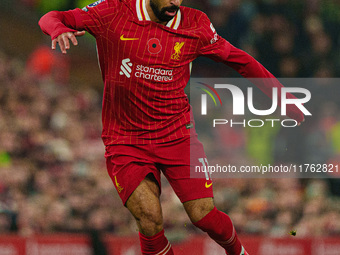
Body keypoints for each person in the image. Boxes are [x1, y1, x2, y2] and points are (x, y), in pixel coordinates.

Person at [39, 0, 304, 254]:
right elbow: (52, 17)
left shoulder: (195, 24)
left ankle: (238, 252)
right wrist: (58, 29)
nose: (175, 3)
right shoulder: (113, 10)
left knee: (204, 216)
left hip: (177, 136)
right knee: (149, 218)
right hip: (125, 140)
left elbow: (241, 60)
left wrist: (281, 97)